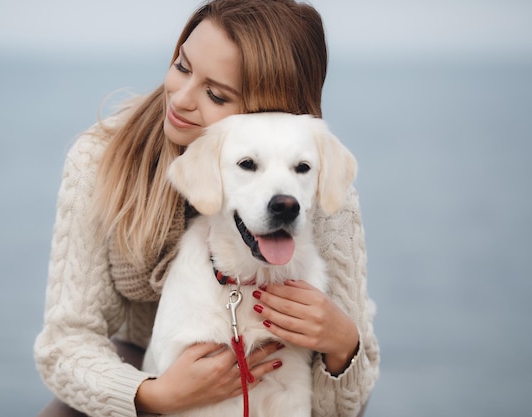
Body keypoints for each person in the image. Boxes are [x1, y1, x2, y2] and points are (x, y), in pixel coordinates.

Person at [33, 1, 380, 416]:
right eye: (181, 66)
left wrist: (342, 345)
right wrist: (154, 394)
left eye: (215, 93)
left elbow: (344, 406)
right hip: (146, 361)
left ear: (268, 109)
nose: (180, 98)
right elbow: (64, 343)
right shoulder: (100, 157)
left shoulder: (312, 188)